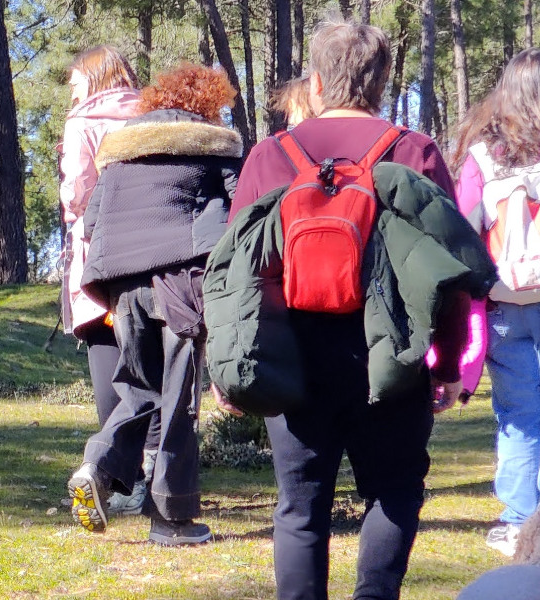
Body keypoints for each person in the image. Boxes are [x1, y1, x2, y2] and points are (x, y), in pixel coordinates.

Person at [221, 22, 494, 600]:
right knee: (393, 489)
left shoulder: (270, 156)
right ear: (384, 83)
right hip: (391, 354)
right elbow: (447, 273)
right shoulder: (413, 150)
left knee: (300, 504)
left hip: (293, 356)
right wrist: (445, 365)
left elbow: (234, 277)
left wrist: (228, 368)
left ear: (315, 82)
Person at [64, 63, 241, 546]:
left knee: (139, 389)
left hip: (122, 284)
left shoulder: (120, 150)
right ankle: (172, 519)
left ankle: (97, 465)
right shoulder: (213, 144)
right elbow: (238, 211)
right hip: (182, 278)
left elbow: (91, 219)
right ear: (207, 102)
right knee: (179, 397)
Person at [452, 49, 540, 557]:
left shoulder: (483, 156)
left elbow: (463, 231)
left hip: (504, 302)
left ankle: (517, 520)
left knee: (518, 411)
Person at [58, 45, 147, 515]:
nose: (71, 93)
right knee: (153, 368)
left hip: (101, 258)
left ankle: (114, 478)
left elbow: (77, 194)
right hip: (156, 257)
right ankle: (156, 477)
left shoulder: (84, 124)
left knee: (108, 361)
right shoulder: (155, 115)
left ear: (93, 80)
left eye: (74, 83)